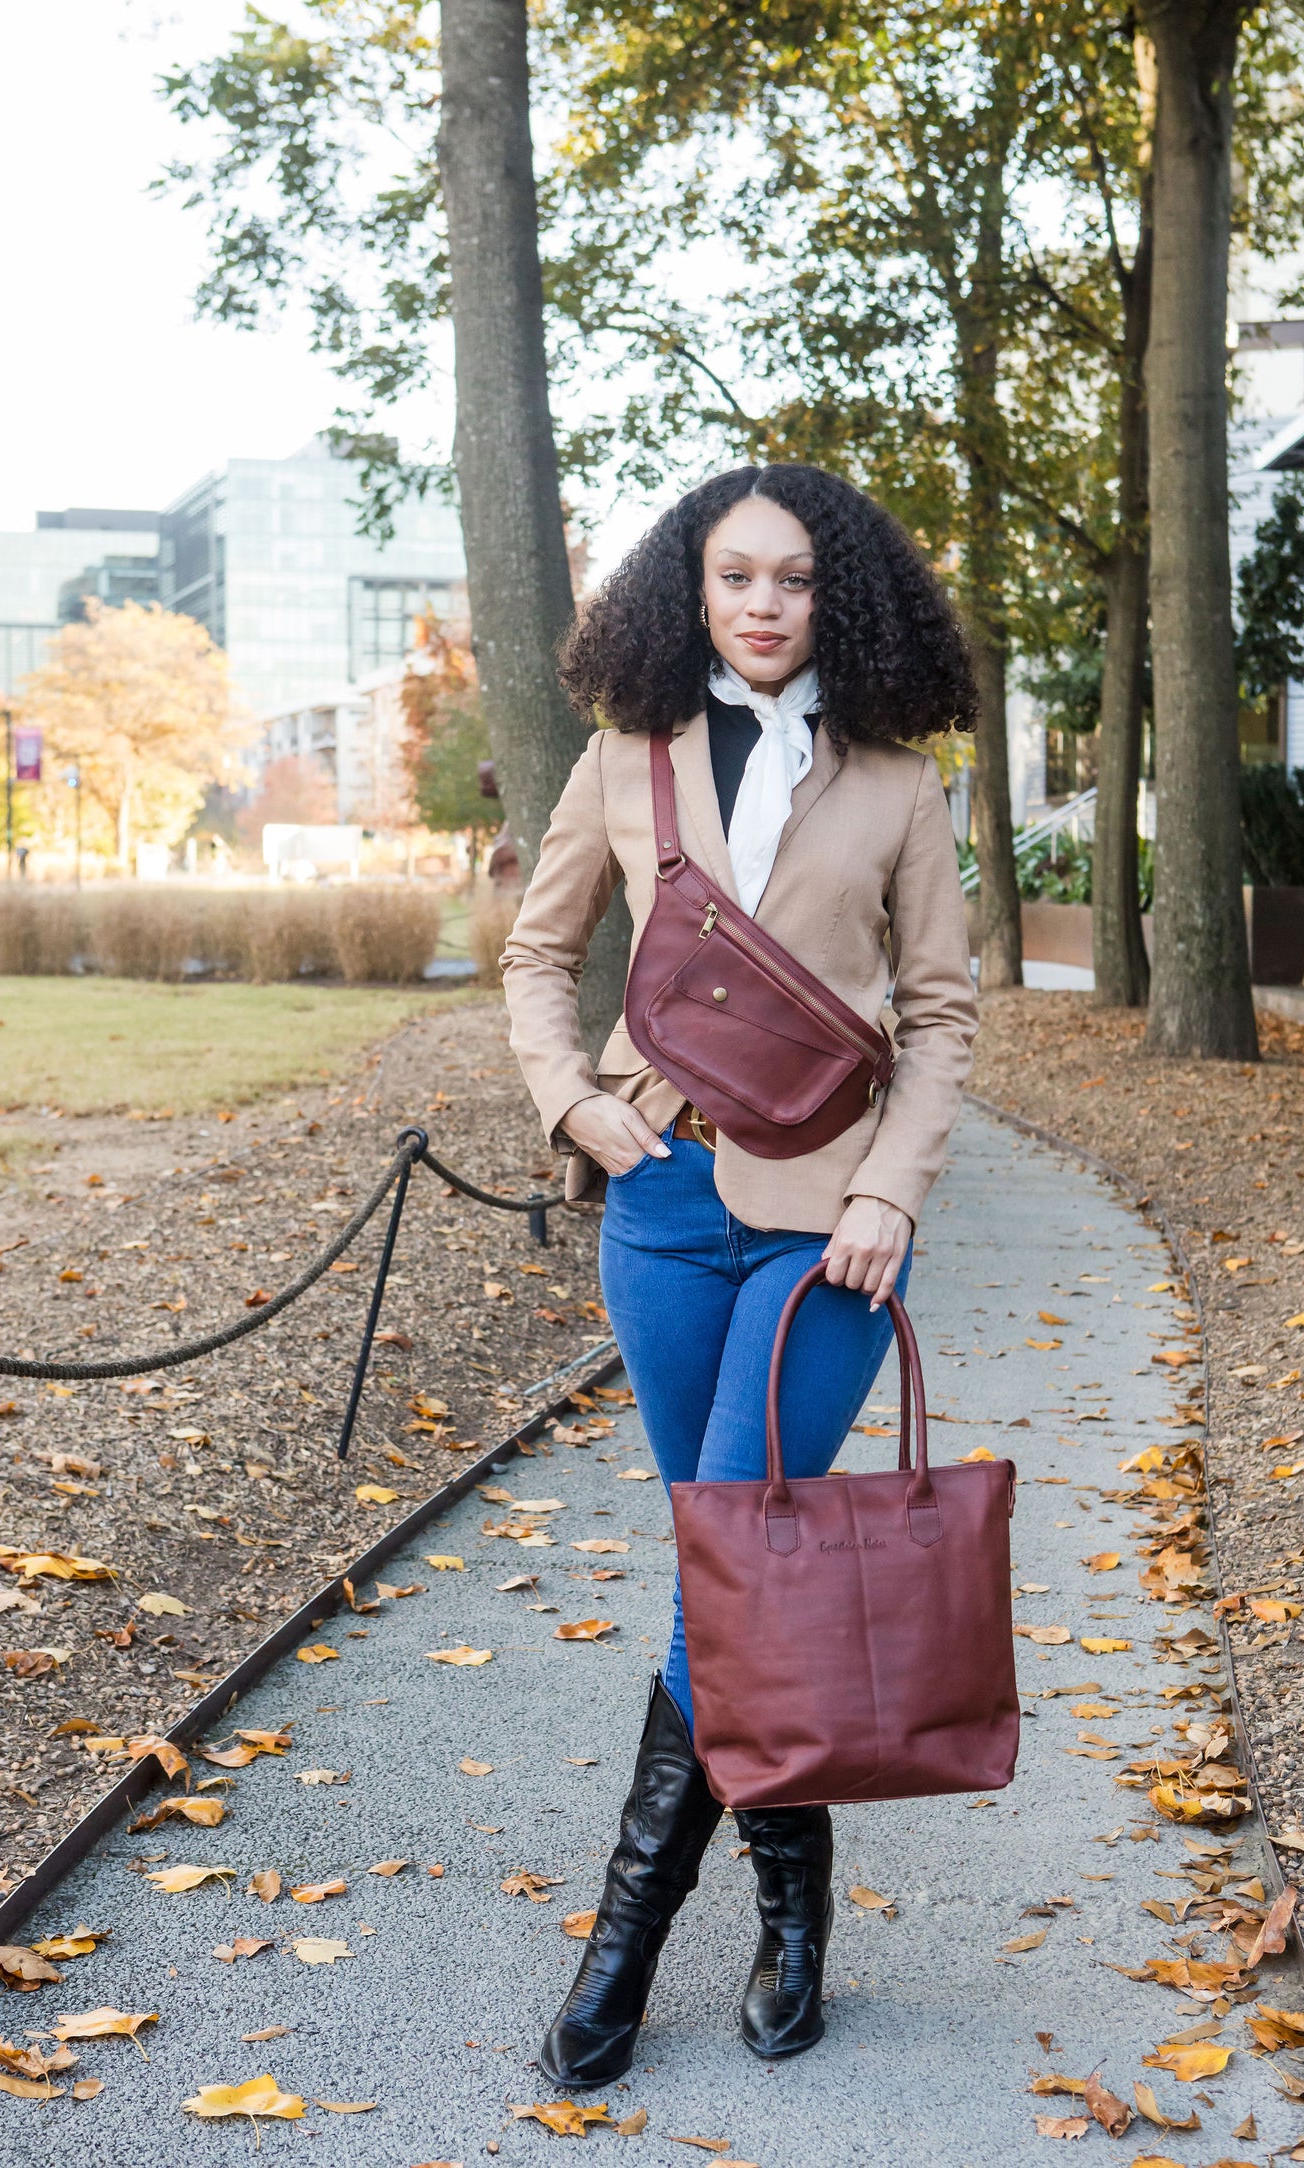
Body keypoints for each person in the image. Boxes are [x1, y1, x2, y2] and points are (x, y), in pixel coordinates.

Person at [499, 462, 979, 2087]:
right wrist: (572, 1102)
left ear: (839, 598)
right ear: (688, 591)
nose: (764, 604)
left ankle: (621, 1949)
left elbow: (940, 1016)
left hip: (823, 1231)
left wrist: (891, 1191)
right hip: (661, 1209)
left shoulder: (897, 784)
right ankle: (794, 1914)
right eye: (734, 576)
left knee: (731, 1572)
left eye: (793, 579)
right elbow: (536, 952)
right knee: (737, 1574)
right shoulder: (623, 761)